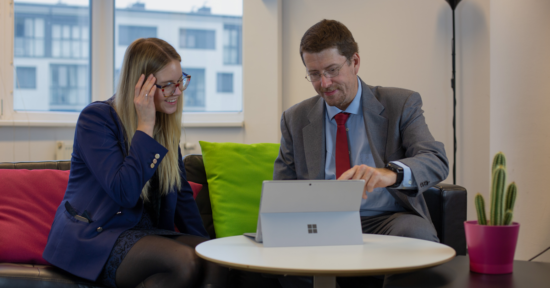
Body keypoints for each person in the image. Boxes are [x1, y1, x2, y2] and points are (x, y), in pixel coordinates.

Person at [273, 19, 449, 287]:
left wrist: (389, 173)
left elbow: (434, 160)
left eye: (332, 70)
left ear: (355, 62)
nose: (324, 83)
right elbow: (283, 189)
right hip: (321, 223)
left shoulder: (400, 104)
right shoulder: (295, 118)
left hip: (387, 220)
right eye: (314, 74)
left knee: (415, 234)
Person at [43, 38, 227, 288]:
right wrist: (145, 126)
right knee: (184, 261)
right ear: (141, 87)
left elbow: (182, 197)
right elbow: (125, 192)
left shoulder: (165, 126)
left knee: (215, 260)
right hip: (97, 236)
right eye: (167, 85)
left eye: (180, 81)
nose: (177, 92)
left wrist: (207, 245)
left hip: (145, 236)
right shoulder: (96, 119)